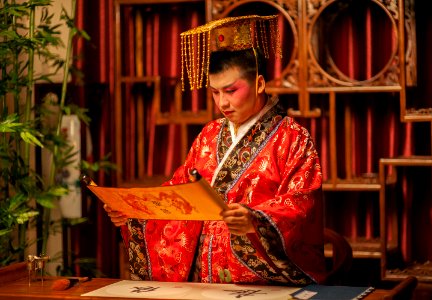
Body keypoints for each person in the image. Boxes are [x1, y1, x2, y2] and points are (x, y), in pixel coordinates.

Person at [104, 15, 326, 286]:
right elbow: (179, 192)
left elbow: (303, 202)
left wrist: (256, 220)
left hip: (262, 283)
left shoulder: (292, 138)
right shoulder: (209, 134)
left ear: (259, 84)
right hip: (204, 279)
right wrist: (136, 213)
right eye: (214, 92)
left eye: (231, 90)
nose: (223, 102)